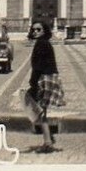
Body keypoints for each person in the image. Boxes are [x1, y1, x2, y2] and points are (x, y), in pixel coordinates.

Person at [27, 22, 66, 153]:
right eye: (34, 30)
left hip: (45, 78)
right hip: (51, 77)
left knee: (41, 112)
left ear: (44, 31)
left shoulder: (41, 44)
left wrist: (33, 84)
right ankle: (48, 139)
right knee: (42, 111)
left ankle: (48, 142)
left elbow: (37, 66)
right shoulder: (45, 43)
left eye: (38, 29)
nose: (35, 32)